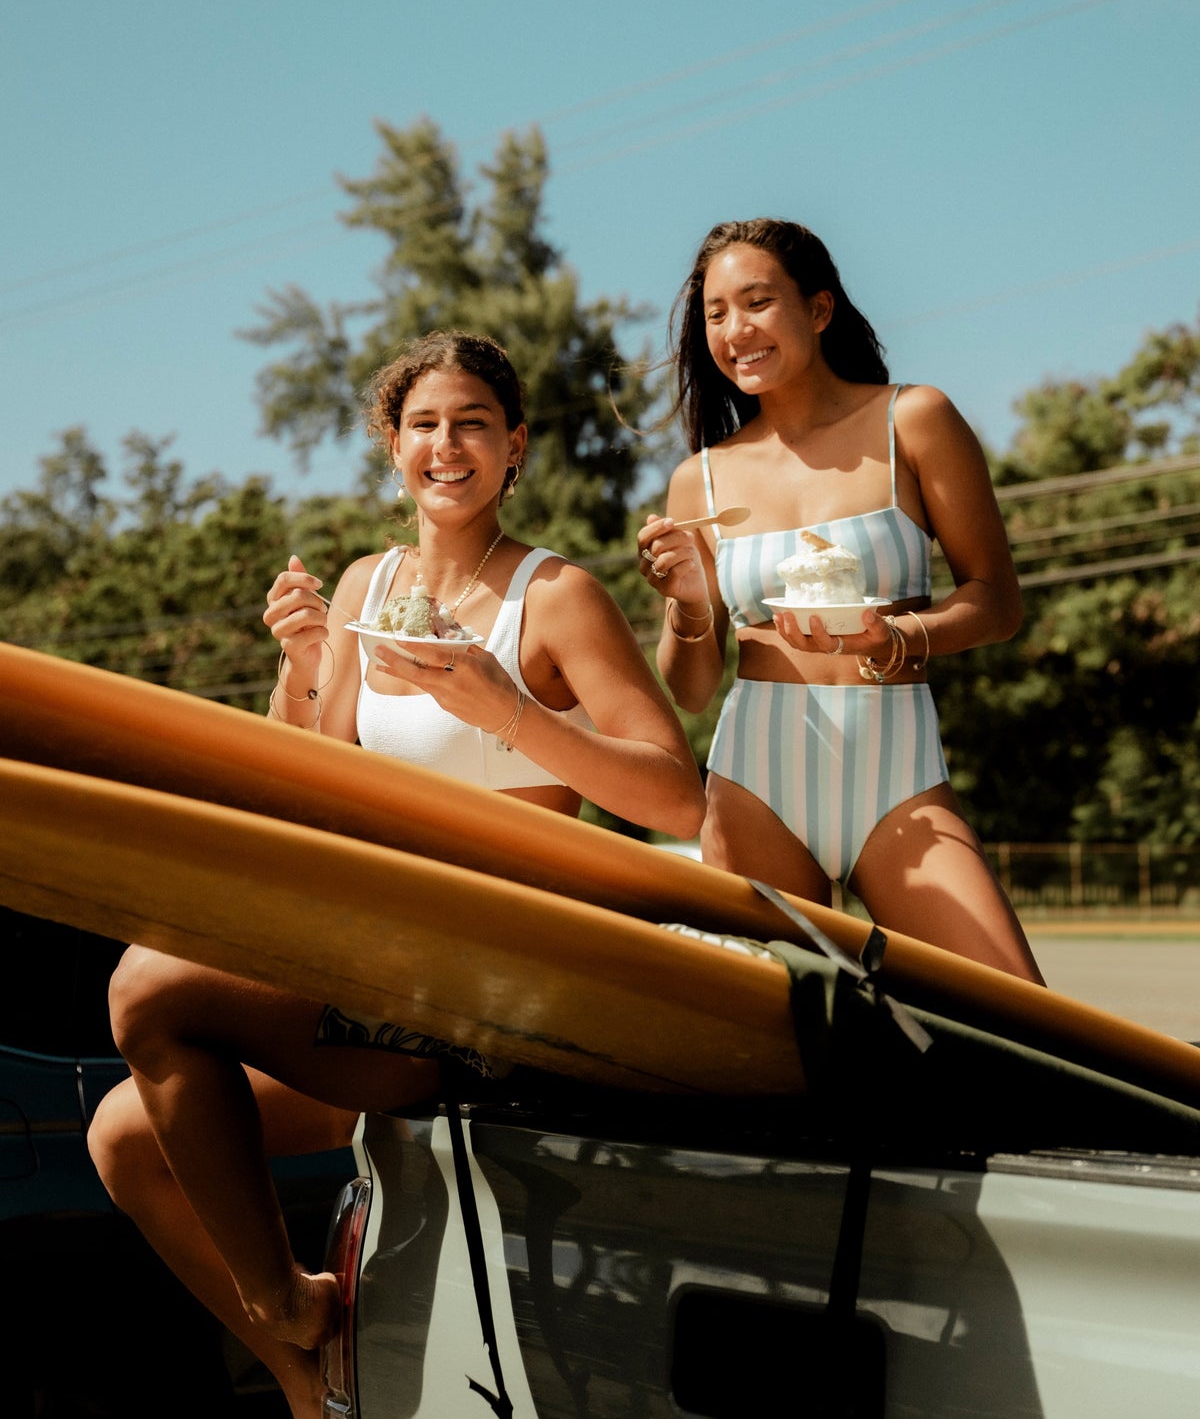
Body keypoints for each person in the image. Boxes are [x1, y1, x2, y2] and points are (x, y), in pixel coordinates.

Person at [88, 331, 705, 1419]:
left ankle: (286, 1302)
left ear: (515, 446)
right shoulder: (368, 583)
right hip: (370, 958)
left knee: (146, 985)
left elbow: (675, 794)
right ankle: (303, 1371)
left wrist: (506, 709)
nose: (447, 443)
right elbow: (316, 785)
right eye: (423, 423)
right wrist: (301, 668)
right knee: (124, 1137)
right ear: (392, 446)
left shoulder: (555, 597)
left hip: (491, 983)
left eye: (474, 421)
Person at [639, 218, 1043, 987]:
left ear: (819, 309)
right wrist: (689, 604)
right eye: (716, 314)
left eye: (757, 302)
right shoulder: (702, 479)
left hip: (899, 780)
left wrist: (896, 639)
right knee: (775, 1064)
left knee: (1021, 1022)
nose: (735, 330)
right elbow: (692, 689)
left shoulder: (913, 420)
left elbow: (996, 601)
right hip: (753, 784)